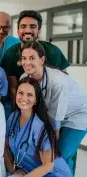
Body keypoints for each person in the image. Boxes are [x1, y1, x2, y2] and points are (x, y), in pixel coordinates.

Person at [20, 41, 87, 176]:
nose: (27, 62)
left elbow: (55, 121)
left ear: (42, 59)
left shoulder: (58, 81)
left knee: (60, 155)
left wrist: (52, 145)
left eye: (32, 58)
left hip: (77, 115)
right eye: (24, 58)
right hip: (53, 116)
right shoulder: (25, 78)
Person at [0, 10, 70, 118]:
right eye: (23, 26)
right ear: (18, 31)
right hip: (25, 100)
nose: (27, 30)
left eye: (32, 26)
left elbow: (65, 83)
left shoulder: (52, 52)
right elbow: (13, 89)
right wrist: (19, 115)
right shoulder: (10, 54)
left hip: (53, 102)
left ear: (39, 31)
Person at [4, 77, 72, 177]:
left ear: (36, 99)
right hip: (30, 172)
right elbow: (4, 148)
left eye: (30, 95)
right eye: (20, 93)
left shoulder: (38, 126)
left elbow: (48, 165)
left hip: (53, 173)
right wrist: (13, 171)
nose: (24, 98)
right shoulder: (12, 118)